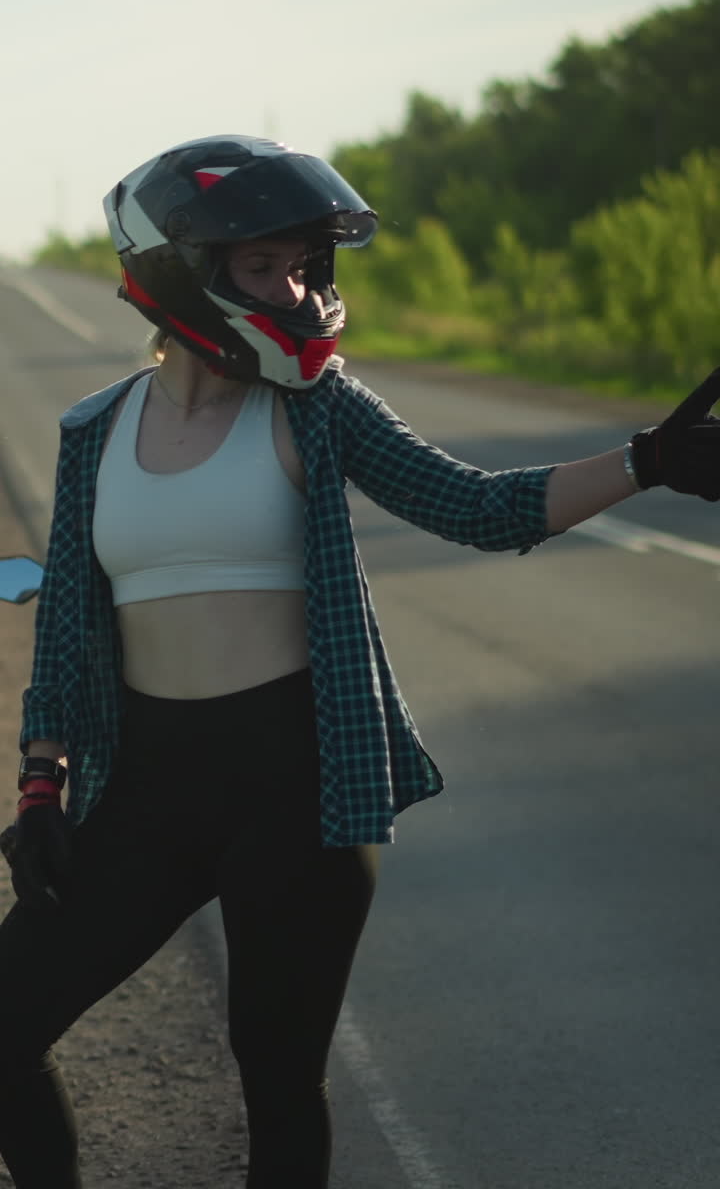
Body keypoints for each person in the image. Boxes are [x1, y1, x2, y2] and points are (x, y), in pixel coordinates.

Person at [1, 133, 719, 1189]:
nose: (295, 288)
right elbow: (66, 619)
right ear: (178, 267)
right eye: (264, 265)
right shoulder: (92, 430)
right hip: (149, 784)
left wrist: (646, 460)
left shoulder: (317, 408)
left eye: (304, 265)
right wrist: (40, 779)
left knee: (277, 1076)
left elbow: (475, 506)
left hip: (301, 785)